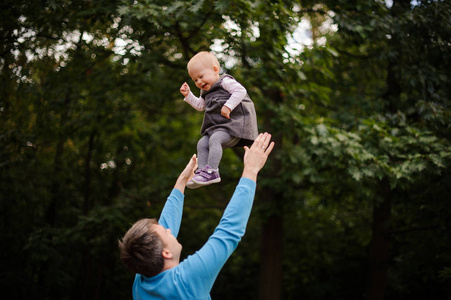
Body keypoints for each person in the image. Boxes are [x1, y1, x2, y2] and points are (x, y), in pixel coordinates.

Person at [118, 133, 274, 300]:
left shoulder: (141, 280)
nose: (170, 230)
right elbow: (228, 232)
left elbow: (165, 226)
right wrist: (251, 170)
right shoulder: (186, 280)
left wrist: (182, 181)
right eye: (166, 232)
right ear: (166, 253)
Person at [180, 51, 258, 188]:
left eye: (201, 77)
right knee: (202, 143)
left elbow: (240, 91)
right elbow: (200, 105)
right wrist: (189, 95)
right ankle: (202, 173)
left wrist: (228, 106)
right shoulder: (205, 91)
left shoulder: (225, 82)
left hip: (234, 127)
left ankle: (212, 171)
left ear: (215, 70)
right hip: (218, 128)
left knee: (215, 139)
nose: (199, 82)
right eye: (195, 80)